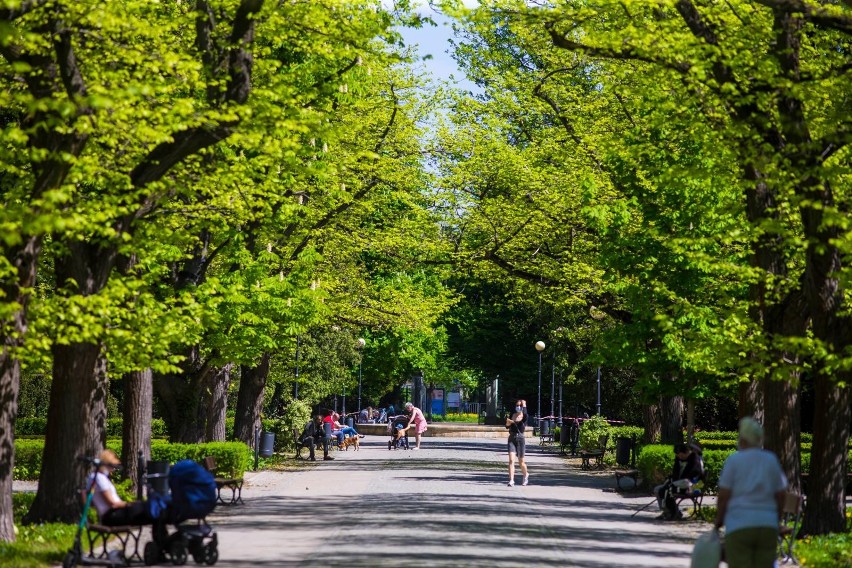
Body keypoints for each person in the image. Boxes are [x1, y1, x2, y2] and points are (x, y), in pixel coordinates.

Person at [714, 417, 787, 568]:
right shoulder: (771, 459)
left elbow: (724, 496)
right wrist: (776, 520)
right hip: (767, 525)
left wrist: (718, 522)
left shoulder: (734, 460)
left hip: (739, 524)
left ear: (743, 439)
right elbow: (781, 495)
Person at [88, 449, 154, 526]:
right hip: (112, 516)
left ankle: (160, 533)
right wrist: (129, 504)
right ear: (107, 464)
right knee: (151, 510)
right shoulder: (99, 478)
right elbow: (112, 503)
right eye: (112, 465)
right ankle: (160, 535)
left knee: (151, 508)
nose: (114, 468)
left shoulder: (96, 477)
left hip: (113, 514)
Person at [654, 442, 704, 519]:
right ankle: (667, 511)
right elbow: (675, 474)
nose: (680, 457)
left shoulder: (694, 459)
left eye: (681, 455)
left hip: (691, 485)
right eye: (678, 456)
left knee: (668, 489)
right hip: (678, 483)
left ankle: (673, 512)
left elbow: (695, 475)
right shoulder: (678, 459)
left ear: (686, 452)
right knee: (657, 489)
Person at [505, 399, 529, 487]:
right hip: (511, 438)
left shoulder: (524, 416)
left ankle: (526, 475)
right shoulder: (512, 415)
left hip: (520, 439)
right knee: (511, 460)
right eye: (517, 405)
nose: (518, 407)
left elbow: (520, 424)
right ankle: (511, 480)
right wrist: (508, 423)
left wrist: (524, 404)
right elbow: (507, 426)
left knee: (521, 461)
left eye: (520, 406)